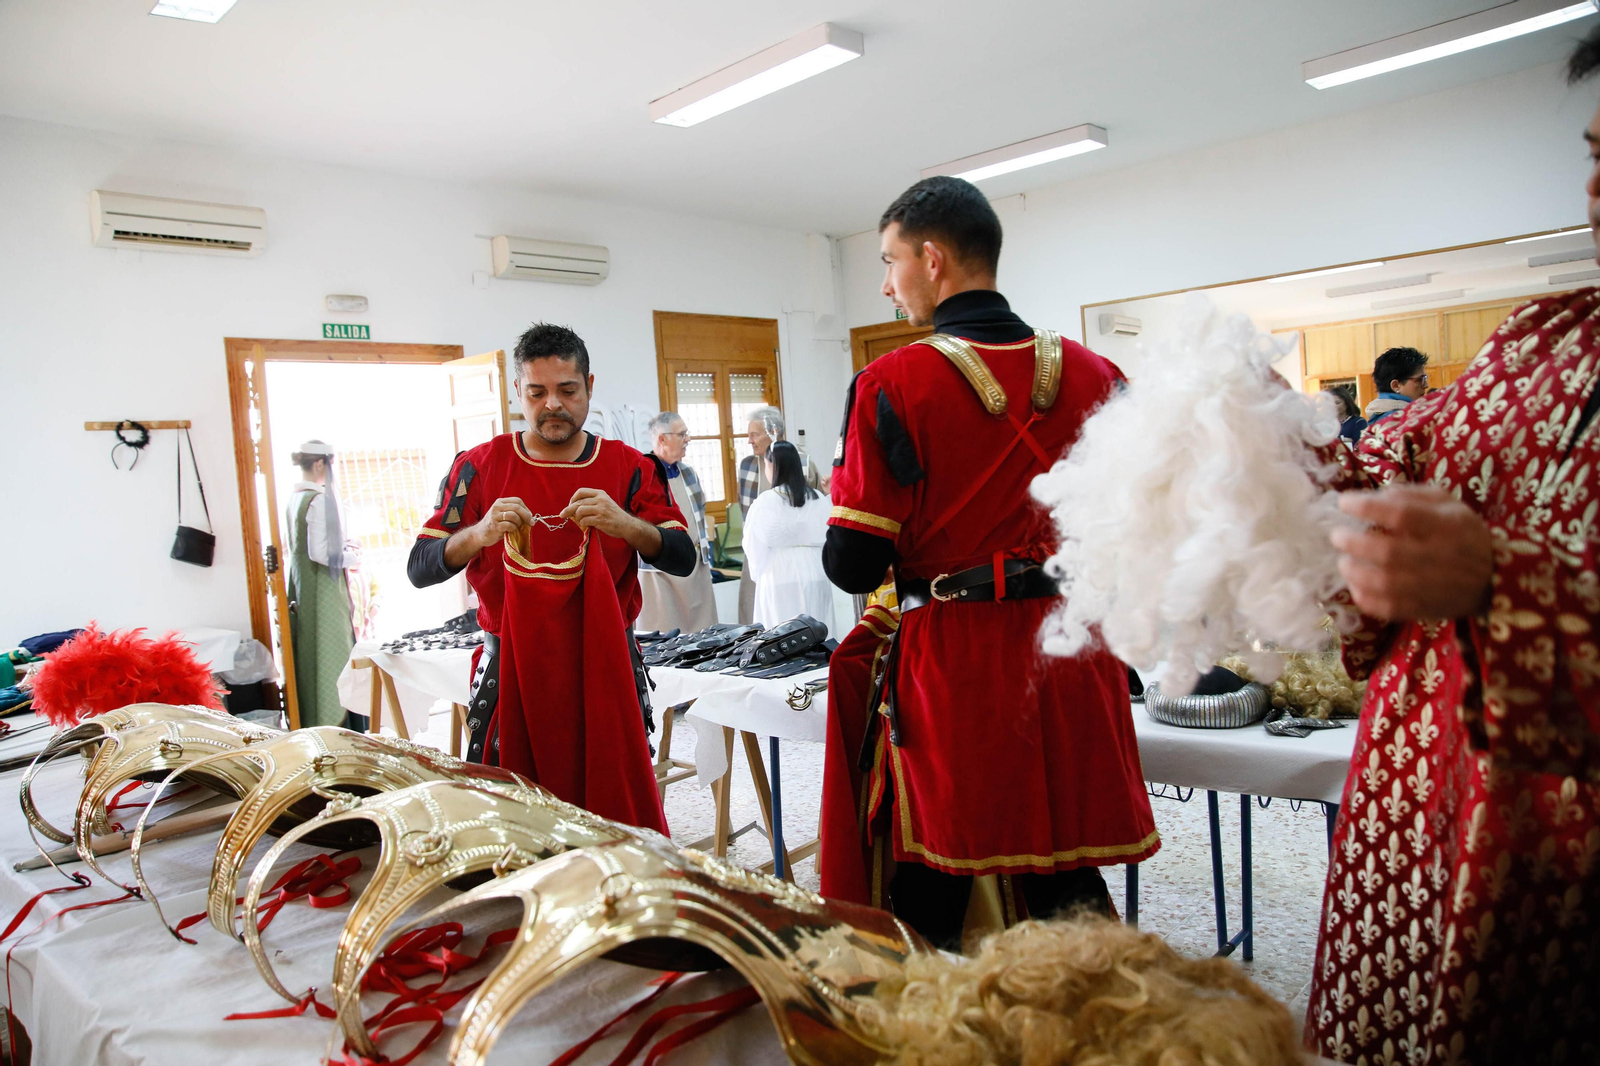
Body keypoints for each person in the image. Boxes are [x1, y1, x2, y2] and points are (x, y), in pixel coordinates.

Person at [1302, 33, 1600, 1062]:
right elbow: (1398, 472)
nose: (1597, 188)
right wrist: (1304, 470)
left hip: (1557, 861)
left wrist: (1502, 585)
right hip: (1412, 800)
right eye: (1594, 155)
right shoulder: (1535, 338)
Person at [818, 175, 1159, 949]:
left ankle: (934, 1011)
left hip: (961, 655)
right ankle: (1098, 1004)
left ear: (932, 260)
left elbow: (853, 563)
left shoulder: (890, 382)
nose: (887, 283)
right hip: (1074, 646)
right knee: (1066, 869)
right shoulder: (1099, 374)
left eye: (890, 261)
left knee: (937, 874)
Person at [406, 323, 696, 833]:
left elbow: (682, 557)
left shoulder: (630, 467)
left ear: (589, 386)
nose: (553, 405)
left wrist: (625, 524)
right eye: (537, 392)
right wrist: (479, 533)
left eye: (567, 390)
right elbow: (420, 565)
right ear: (518, 391)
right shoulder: (478, 467)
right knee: (513, 827)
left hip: (606, 668)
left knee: (614, 825)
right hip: (510, 671)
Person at [285, 440, 355, 729]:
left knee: (312, 657)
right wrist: (352, 556)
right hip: (322, 591)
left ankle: (316, 722)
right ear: (318, 464)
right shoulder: (317, 500)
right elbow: (321, 553)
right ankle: (337, 727)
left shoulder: (296, 498)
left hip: (303, 587)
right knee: (332, 657)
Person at [736, 406, 823, 624]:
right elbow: (746, 511)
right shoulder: (747, 466)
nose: (749, 440)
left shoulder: (803, 463)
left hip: (796, 561)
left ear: (774, 431)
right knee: (758, 615)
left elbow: (816, 511)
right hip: (757, 554)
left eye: (754, 434)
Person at [743, 440, 836, 632]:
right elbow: (830, 533)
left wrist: (758, 573)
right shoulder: (817, 497)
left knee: (781, 637)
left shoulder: (765, 501)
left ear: (773, 466)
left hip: (778, 575)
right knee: (817, 634)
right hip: (815, 572)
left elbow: (753, 546)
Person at [637, 411, 718, 634]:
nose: (687, 439)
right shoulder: (642, 472)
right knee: (664, 633)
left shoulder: (688, 472)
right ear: (662, 439)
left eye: (686, 433)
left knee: (704, 634)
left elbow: (699, 511)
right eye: (681, 434)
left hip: (695, 566)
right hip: (660, 571)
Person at [1362, 345, 1428, 424]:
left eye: (1425, 379)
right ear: (1396, 385)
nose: (1426, 385)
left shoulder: (1381, 414)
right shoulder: (1398, 421)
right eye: (1420, 380)